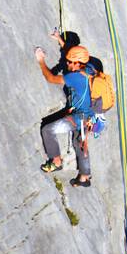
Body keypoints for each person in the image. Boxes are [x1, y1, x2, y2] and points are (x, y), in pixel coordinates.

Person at [36, 44, 96, 187]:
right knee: (80, 144)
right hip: (89, 118)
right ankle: (84, 176)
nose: (67, 64)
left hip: (78, 118)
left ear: (77, 64)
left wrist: (41, 60)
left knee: (47, 130)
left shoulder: (75, 77)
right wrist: (60, 41)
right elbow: (74, 56)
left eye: (70, 62)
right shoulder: (90, 69)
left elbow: (50, 78)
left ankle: (56, 162)